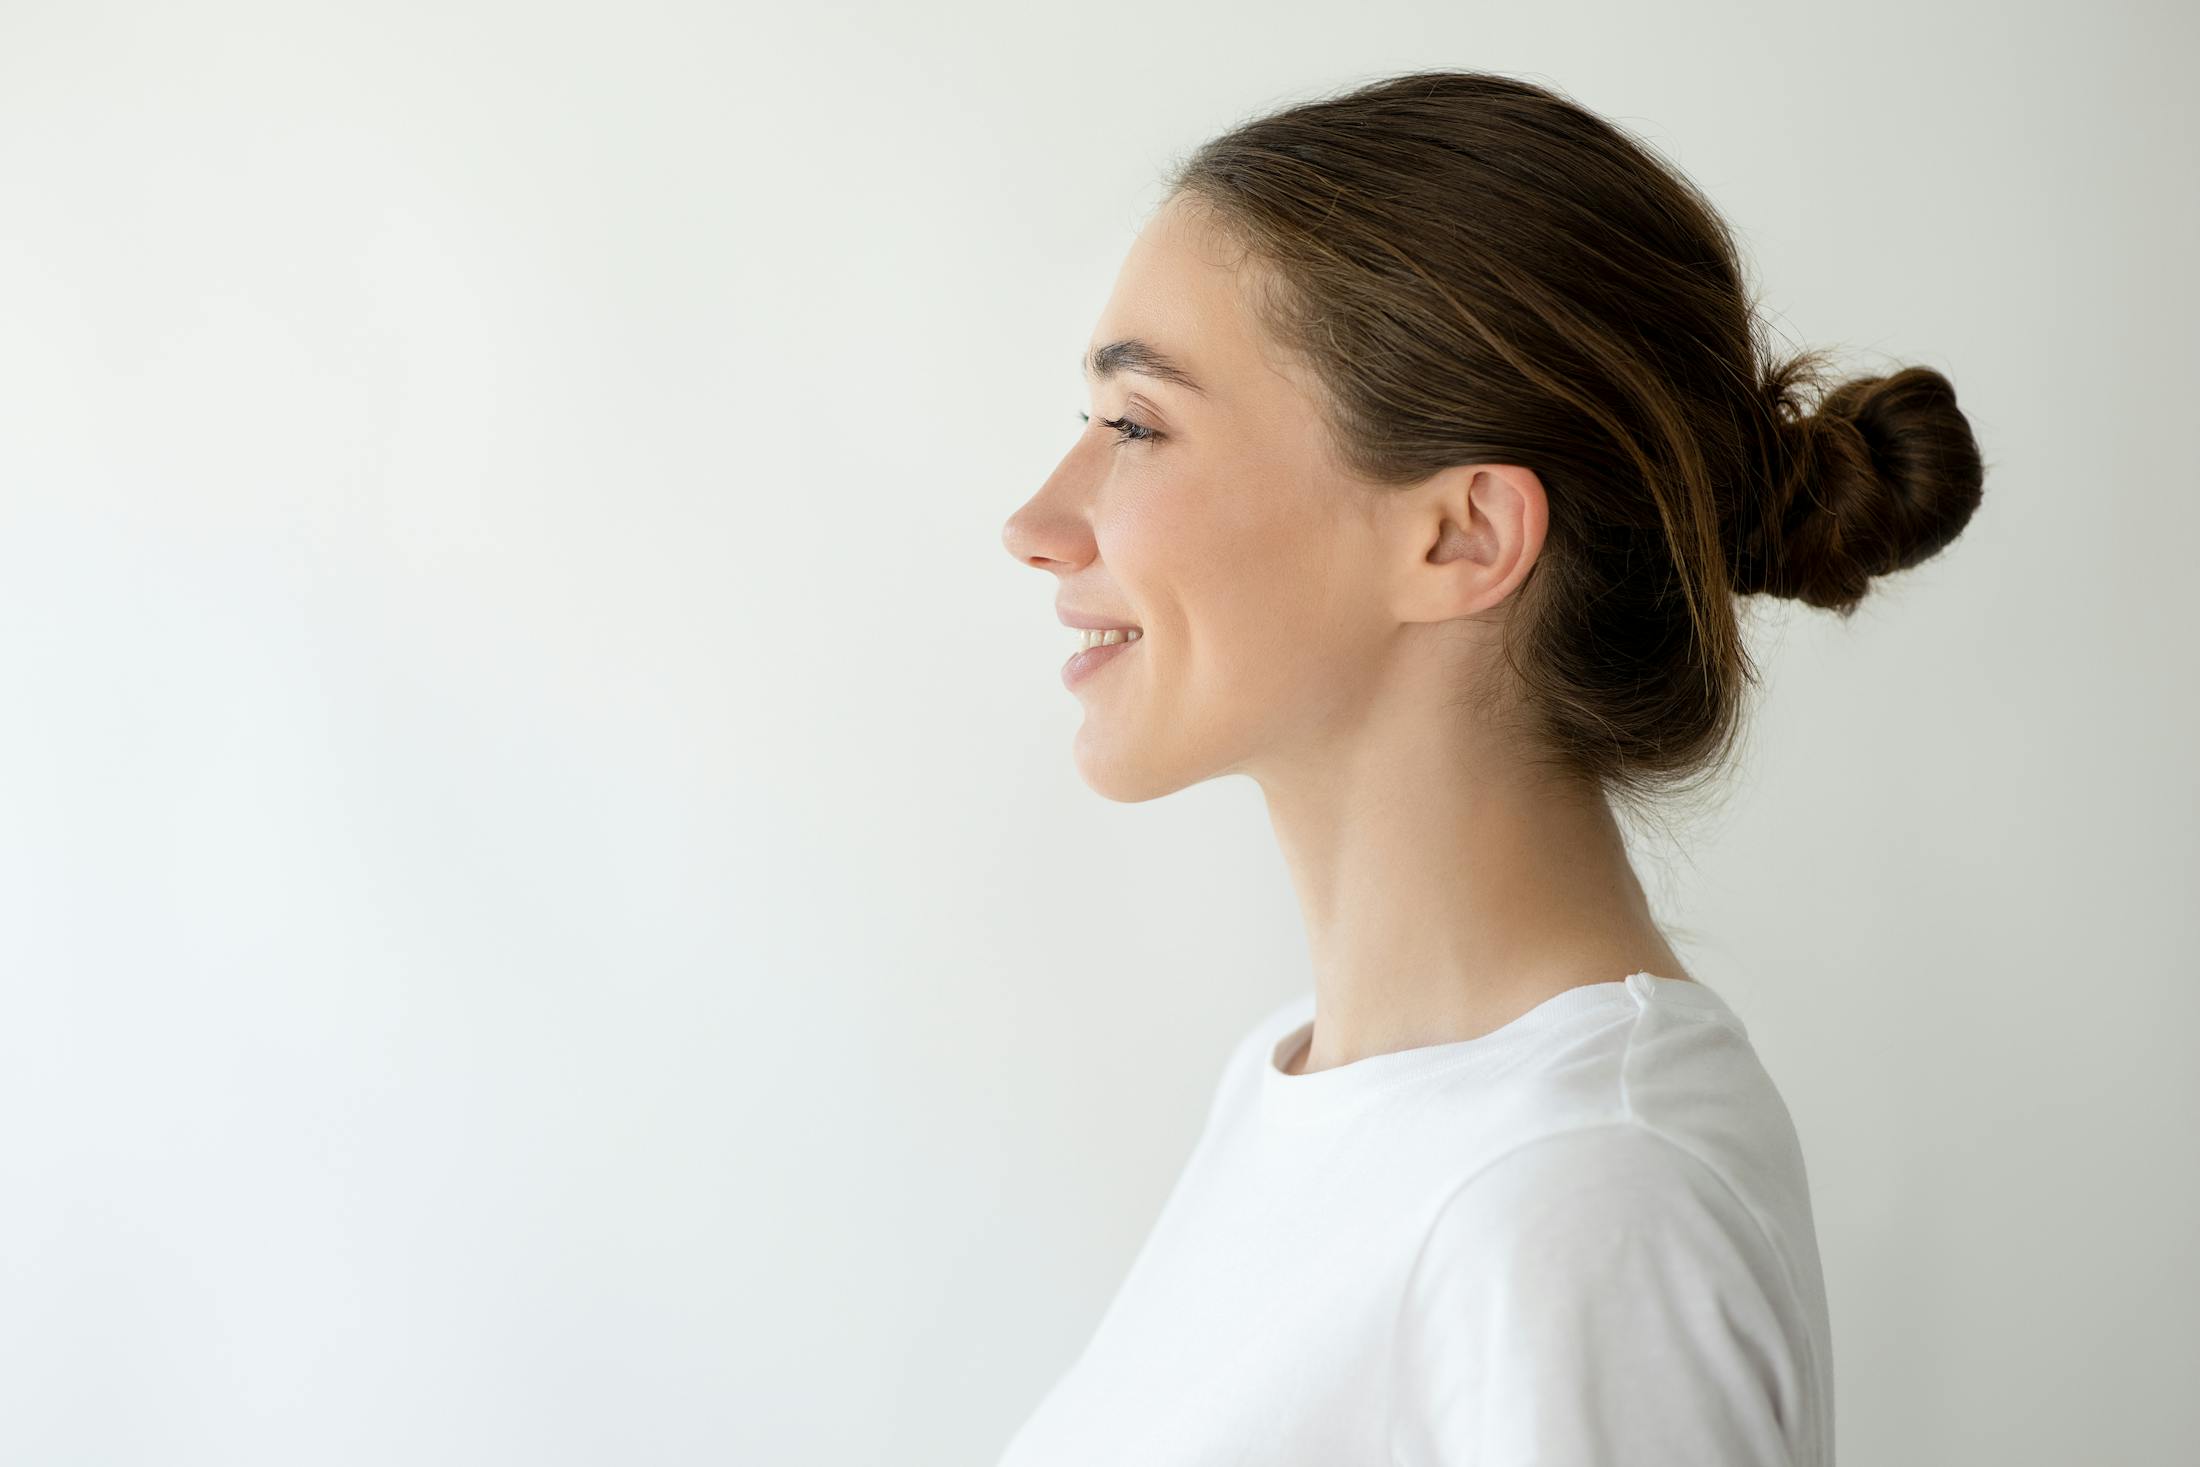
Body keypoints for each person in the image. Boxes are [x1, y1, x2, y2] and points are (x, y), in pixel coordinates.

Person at [995, 69, 1983, 1467]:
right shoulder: (1310, 1094)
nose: (1037, 522)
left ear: (1463, 535)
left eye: (1137, 426)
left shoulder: (1582, 1209)